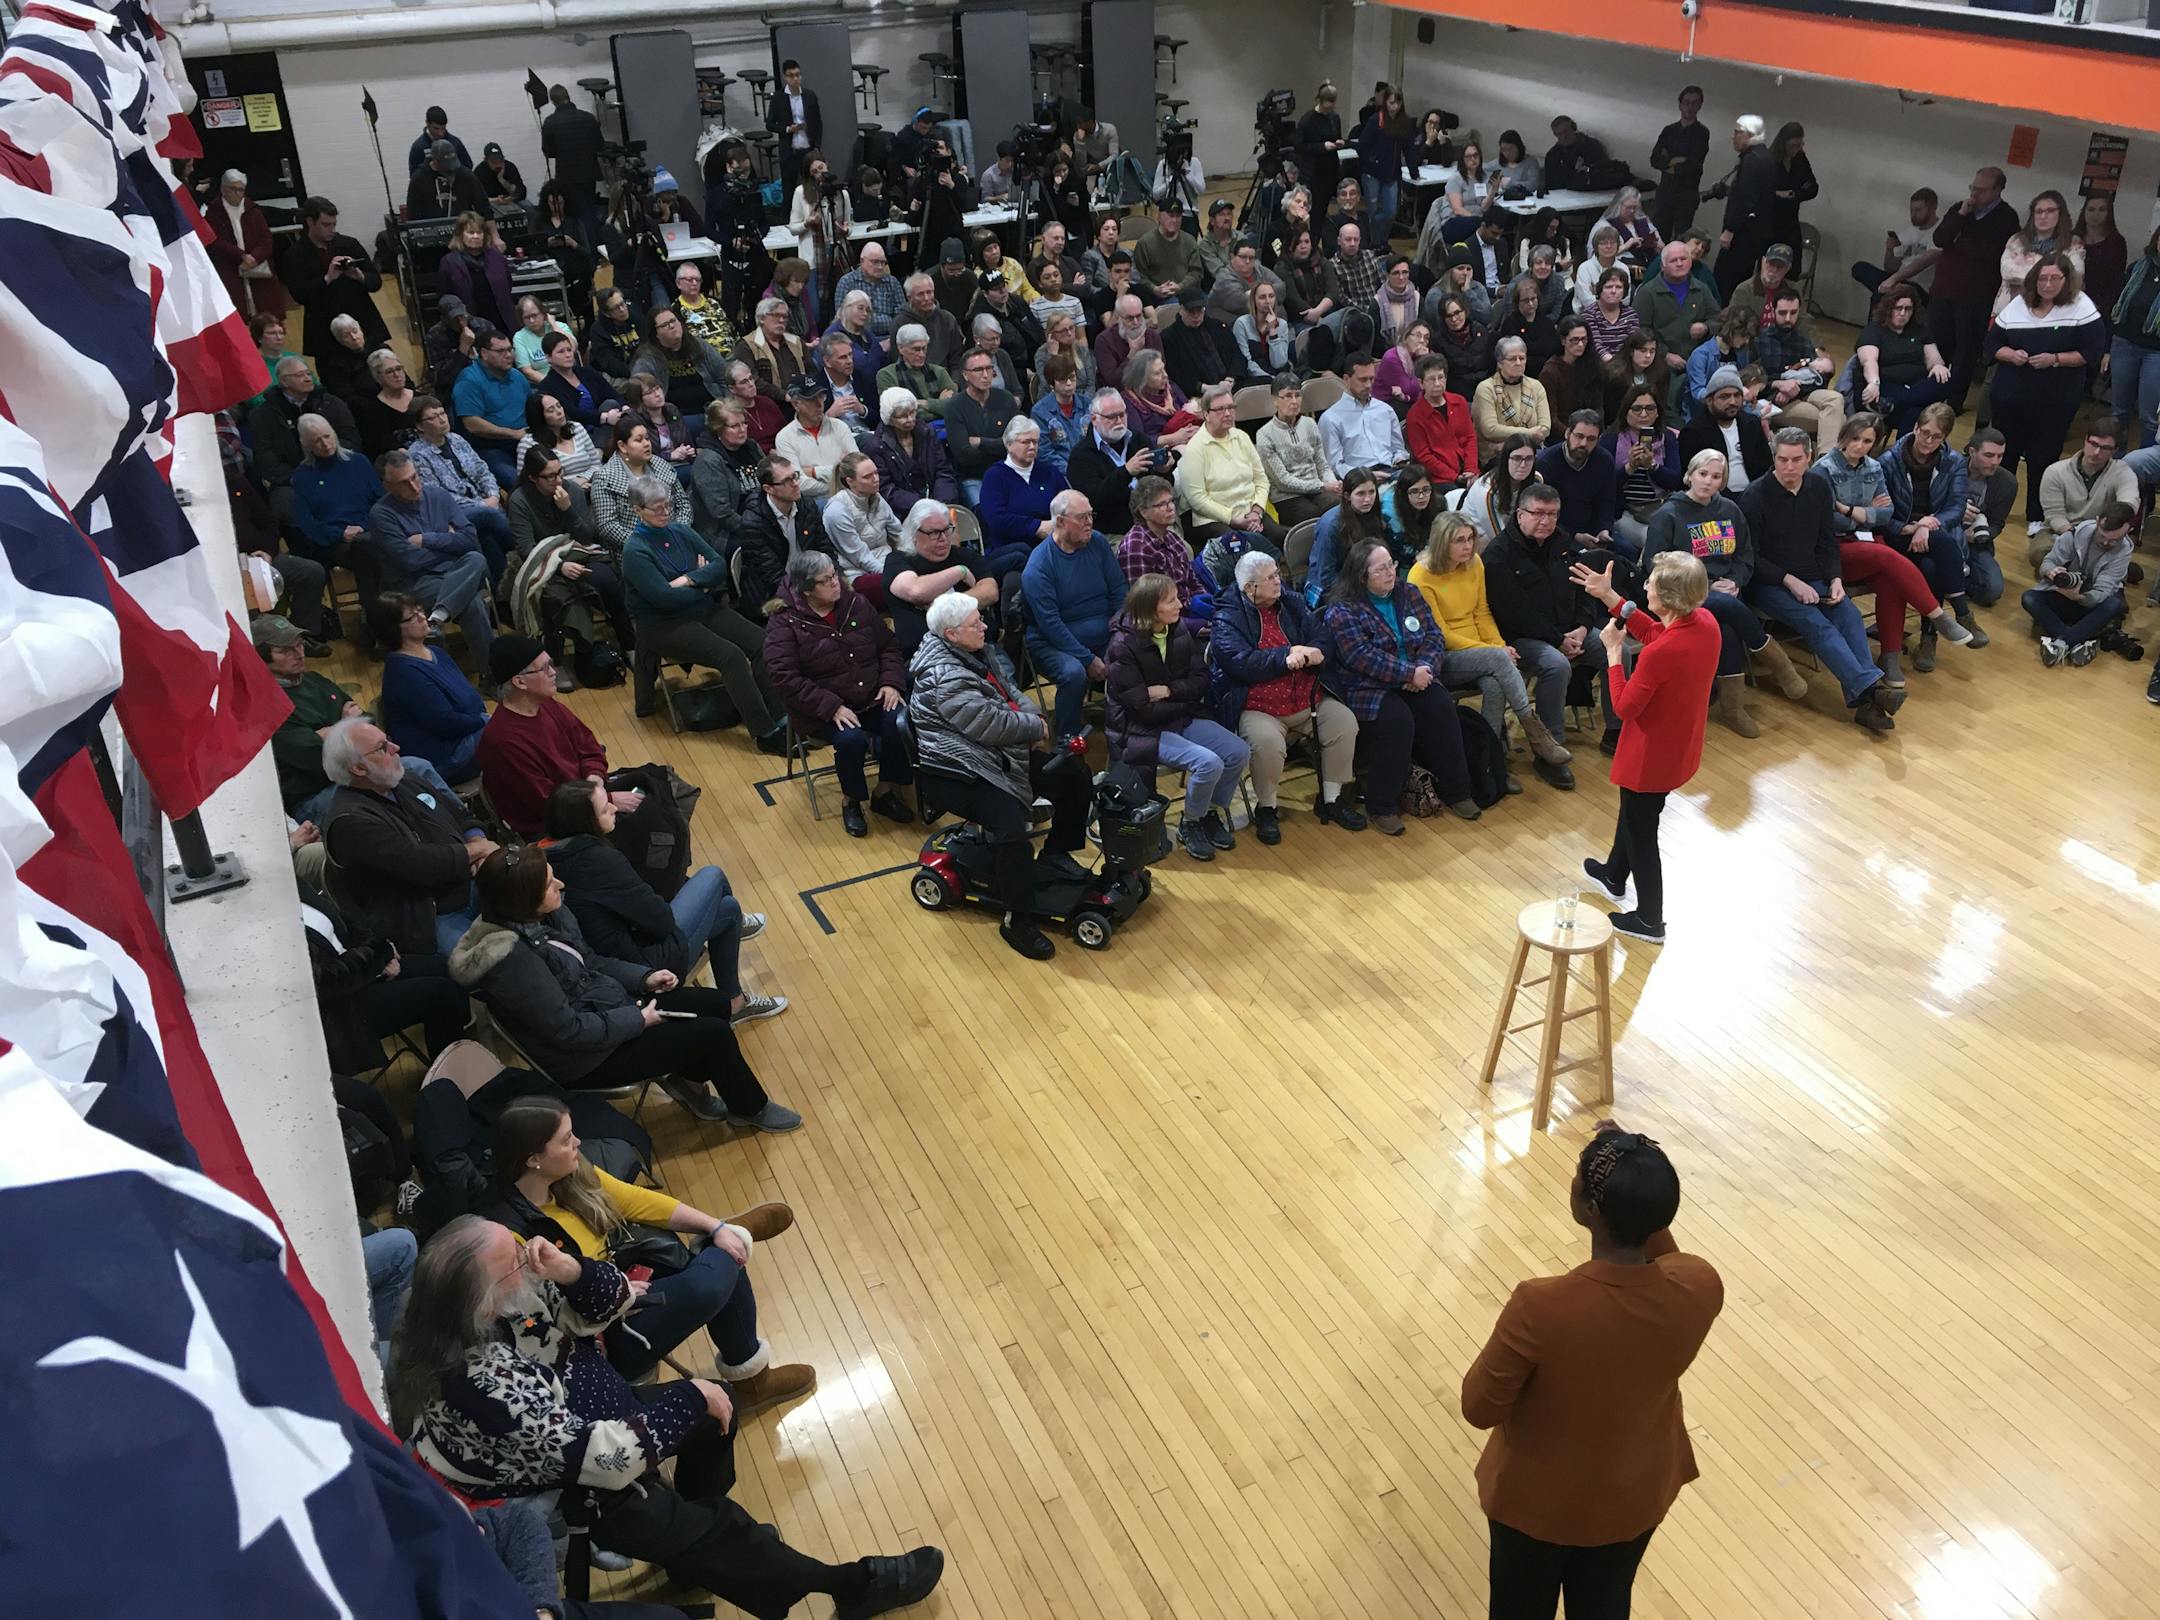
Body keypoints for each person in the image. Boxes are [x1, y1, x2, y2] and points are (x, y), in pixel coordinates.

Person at [396, 1219, 938, 1613]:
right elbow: (603, 1461)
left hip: (584, 1430)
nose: (527, 1253)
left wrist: (569, 1269)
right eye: (515, 1257)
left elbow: (611, 1306)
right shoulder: (482, 1383)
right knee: (725, 1522)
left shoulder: (494, 1303)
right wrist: (691, 1397)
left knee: (711, 1417)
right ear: (484, 1302)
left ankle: (693, 1549)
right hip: (562, 1485)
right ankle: (845, 1587)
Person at [1461, 1121, 1723, 1614]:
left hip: (1535, 1506)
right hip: (1633, 1496)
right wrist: (1636, 1182)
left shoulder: (1540, 1306)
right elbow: (1669, 1257)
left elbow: (1478, 1407)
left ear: (1589, 1209)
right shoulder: (1700, 1285)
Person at [448, 847, 797, 1129]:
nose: (562, 885)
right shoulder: (513, 964)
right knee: (713, 1035)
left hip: (612, 1009)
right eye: (550, 884)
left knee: (717, 1004)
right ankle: (750, 1109)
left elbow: (591, 961)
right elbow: (568, 1032)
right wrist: (638, 1019)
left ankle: (685, 1079)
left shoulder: (545, 916)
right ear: (522, 900)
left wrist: (644, 978)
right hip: (587, 1057)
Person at [482, 1096, 800, 1393]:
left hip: (625, 1283)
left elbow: (635, 1201)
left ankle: (722, 1238)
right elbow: (553, 1323)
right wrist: (618, 1293)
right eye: (566, 1140)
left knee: (726, 1258)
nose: (578, 1142)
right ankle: (753, 1381)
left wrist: (712, 1225)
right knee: (714, 1281)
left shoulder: (569, 1171)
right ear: (534, 1159)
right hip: (601, 1336)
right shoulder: (514, 1240)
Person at [909, 592, 1095, 960]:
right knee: (1012, 833)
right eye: (976, 622)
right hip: (957, 770)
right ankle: (1016, 921)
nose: (984, 626)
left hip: (997, 756)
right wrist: (1032, 727)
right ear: (951, 634)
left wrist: (1034, 721)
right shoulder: (943, 676)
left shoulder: (977, 651)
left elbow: (1013, 693)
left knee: (1074, 775)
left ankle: (1057, 853)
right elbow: (989, 724)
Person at [1739, 427, 1897, 731]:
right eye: (1782, 459)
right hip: (1771, 583)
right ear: (1774, 458)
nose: (1788, 467)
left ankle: (1866, 701)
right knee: (1817, 624)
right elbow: (1751, 557)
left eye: (1796, 460)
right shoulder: (1755, 496)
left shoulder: (1818, 487)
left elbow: (1826, 542)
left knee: (1849, 614)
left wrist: (1836, 579)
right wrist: (1789, 581)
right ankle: (1873, 689)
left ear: (1809, 458)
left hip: (1814, 575)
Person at [1209, 548, 1366, 845]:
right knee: (1267, 743)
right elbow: (1239, 662)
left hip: (1306, 697)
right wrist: (1286, 655)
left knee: (1344, 723)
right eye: (1270, 578)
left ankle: (1331, 799)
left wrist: (1318, 651)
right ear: (1249, 588)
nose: (1278, 581)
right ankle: (1266, 807)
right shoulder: (1227, 616)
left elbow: (1321, 636)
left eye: (1277, 574)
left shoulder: (1292, 603)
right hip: (1258, 705)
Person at [1321, 539, 1479, 832]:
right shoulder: (1342, 611)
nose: (1390, 572)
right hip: (1367, 687)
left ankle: (1459, 791)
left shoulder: (1409, 593)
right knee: (1397, 722)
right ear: (1361, 575)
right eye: (1380, 569)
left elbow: (1434, 636)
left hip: (1417, 676)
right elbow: (1360, 656)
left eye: (1391, 565)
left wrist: (1425, 670)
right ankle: (1381, 805)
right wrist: (1408, 674)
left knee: (1441, 707)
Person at [1408, 513, 1575, 791]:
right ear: (1441, 543)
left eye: (1470, 538)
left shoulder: (1474, 563)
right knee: (1499, 661)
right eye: (1459, 540)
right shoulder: (1420, 576)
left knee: (1497, 685)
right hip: (1444, 657)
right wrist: (1495, 651)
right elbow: (1442, 635)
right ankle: (1535, 732)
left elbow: (1483, 612)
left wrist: (1499, 646)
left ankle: (1492, 763)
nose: (1467, 546)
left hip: (1483, 654)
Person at [623, 476, 787, 747]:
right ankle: (764, 732)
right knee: (731, 656)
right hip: (662, 624)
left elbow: (718, 565)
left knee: (761, 641)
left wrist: (689, 579)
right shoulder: (635, 550)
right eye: (657, 508)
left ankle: (781, 715)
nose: (665, 512)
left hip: (700, 608)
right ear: (638, 510)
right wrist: (702, 582)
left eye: (667, 505)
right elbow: (663, 599)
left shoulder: (681, 530)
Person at [760, 552, 916, 837]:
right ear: (807, 589)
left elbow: (888, 646)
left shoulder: (855, 602)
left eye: (835, 574)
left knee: (901, 723)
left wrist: (891, 682)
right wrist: (831, 707)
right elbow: (785, 678)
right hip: (823, 708)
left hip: (870, 694)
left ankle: (885, 791)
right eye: (827, 580)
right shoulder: (784, 623)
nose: (837, 583)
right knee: (851, 740)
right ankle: (852, 800)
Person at [1642, 448, 1796, 736]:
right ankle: (1777, 664)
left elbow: (1745, 554)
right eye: (1702, 474)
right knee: (1725, 608)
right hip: (1682, 594)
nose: (1708, 482)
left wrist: (1736, 581)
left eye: (1716, 477)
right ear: (1689, 475)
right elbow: (1655, 567)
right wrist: (1701, 585)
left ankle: (1732, 708)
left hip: (1724, 592)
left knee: (1725, 626)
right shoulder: (1669, 514)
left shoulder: (1729, 510)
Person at [1102, 570, 1250, 866]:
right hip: (1140, 729)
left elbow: (1202, 678)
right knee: (1208, 763)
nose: (1180, 604)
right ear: (1150, 609)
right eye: (1170, 601)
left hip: (1179, 715)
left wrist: (1170, 691)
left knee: (1238, 751)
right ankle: (1190, 823)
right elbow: (1141, 708)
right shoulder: (1122, 646)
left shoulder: (1178, 629)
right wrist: (1182, 699)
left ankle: (1206, 812)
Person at [1821, 414, 1978, 685]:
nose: (1859, 445)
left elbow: (1886, 512)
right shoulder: (1824, 469)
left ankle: (1889, 657)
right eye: (1855, 438)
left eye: (1867, 440)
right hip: (1832, 547)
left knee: (1892, 579)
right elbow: (1826, 518)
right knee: (1889, 558)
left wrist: (1849, 510)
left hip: (1864, 539)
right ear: (1843, 436)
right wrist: (1862, 512)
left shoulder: (1872, 467)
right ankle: (1938, 616)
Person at [320, 718, 494, 955]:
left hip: (472, 881)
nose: (396, 749)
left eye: (388, 740)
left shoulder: (403, 780)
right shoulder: (350, 822)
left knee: (543, 896)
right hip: (430, 918)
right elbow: (420, 865)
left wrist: (476, 840)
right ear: (358, 769)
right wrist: (479, 851)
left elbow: (461, 815)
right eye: (382, 748)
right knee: (487, 962)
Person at [1485, 482, 1617, 760]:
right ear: (1520, 514)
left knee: (1616, 650)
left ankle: (1616, 730)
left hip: (1571, 629)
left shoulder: (1563, 542)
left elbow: (1585, 589)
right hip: (1523, 638)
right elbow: (1514, 613)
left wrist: (1583, 627)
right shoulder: (1498, 555)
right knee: (1555, 666)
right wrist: (1558, 641)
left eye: (1552, 514)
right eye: (1538, 513)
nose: (1546, 521)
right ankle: (1550, 746)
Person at [1986, 253, 2107, 531]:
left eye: (2054, 278)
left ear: (2066, 281)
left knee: (2043, 456)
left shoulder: (2081, 307)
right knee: (2005, 453)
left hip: (2055, 398)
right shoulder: (2018, 305)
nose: (2048, 283)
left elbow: (2091, 352)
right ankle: (1990, 510)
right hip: (2010, 395)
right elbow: (1992, 344)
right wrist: (2010, 354)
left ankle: (2036, 516)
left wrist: (2055, 359)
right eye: (2042, 278)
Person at [505, 448, 633, 677]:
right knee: (553, 596)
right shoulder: (520, 500)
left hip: (578, 552)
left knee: (606, 579)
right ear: (533, 477)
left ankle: (629, 644)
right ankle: (555, 661)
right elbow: (526, 548)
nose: (558, 480)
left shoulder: (571, 489)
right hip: (542, 562)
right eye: (550, 476)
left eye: (560, 472)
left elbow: (587, 536)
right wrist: (559, 566)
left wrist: (568, 509)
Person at [369, 448, 496, 663]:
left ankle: (437, 618)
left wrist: (428, 539)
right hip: (415, 582)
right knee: (472, 601)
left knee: (477, 558)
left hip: (455, 572)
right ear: (387, 486)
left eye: (415, 477)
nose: (413, 486)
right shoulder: (381, 515)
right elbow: (409, 561)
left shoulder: (438, 496)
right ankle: (490, 675)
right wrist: (449, 542)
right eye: (403, 483)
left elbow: (469, 539)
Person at [1929, 167, 2020, 413]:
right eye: (1973, 188)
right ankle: (1931, 392)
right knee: (1937, 344)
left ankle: (1954, 399)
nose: (1975, 194)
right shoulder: (1961, 209)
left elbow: (1990, 254)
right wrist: (1960, 215)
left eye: (1981, 190)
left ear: (1998, 190)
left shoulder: (2007, 218)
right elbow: (1940, 238)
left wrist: (1962, 243)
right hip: (1944, 288)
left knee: (1965, 350)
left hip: (1975, 295)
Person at [372, 591, 487, 783]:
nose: (423, 617)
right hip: (446, 756)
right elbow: (446, 723)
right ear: (394, 629)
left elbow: (470, 698)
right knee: (512, 731)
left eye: (420, 610)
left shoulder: (436, 652)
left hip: (468, 733)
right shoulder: (404, 673)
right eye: (412, 617)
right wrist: (484, 721)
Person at [408, 395, 514, 572]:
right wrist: (483, 504)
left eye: (442, 413)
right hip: (450, 514)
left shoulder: (457, 440)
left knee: (486, 535)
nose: (442, 419)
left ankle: (501, 592)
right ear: (419, 426)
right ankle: (528, 548)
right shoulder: (418, 454)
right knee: (488, 516)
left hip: (483, 504)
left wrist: (493, 495)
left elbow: (482, 470)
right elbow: (438, 496)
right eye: (433, 417)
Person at [2024, 502, 2136, 665]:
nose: (2106, 543)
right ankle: (2079, 639)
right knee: (2029, 598)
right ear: (2098, 522)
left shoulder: (2123, 553)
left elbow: (2103, 591)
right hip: (2061, 594)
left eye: (2114, 540)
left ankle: (2062, 642)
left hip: (2089, 602)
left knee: (2114, 604)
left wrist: (2079, 597)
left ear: (2128, 532)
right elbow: (2049, 562)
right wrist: (2050, 572)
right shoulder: (2074, 535)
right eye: (2102, 535)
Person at [1175, 384, 1279, 548]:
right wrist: (1233, 519)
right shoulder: (1195, 449)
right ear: (1206, 414)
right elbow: (1197, 498)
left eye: (1231, 407)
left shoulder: (1242, 437)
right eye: (1221, 409)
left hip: (1250, 512)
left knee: (1279, 536)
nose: (1228, 413)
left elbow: (1261, 479)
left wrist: (1256, 511)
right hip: (1213, 520)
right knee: (1237, 545)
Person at [280, 197, 389, 353]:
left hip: (362, 323)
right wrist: (327, 279)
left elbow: (376, 282)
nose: (331, 229)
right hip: (324, 329)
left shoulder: (349, 244)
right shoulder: (295, 255)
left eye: (334, 224)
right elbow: (300, 295)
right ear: (310, 222)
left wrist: (359, 275)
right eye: (325, 225)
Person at [736, 450, 832, 614]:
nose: (795, 483)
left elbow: (824, 548)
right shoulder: (753, 524)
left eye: (795, 476)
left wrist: (833, 578)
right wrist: (812, 594)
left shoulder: (806, 506)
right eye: (787, 481)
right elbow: (772, 576)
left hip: (811, 580)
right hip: (774, 593)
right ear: (769, 489)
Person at [2036, 416, 2139, 565]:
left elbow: (2128, 505)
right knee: (2039, 554)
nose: (2097, 452)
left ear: (2115, 450)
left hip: (2103, 533)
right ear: (2085, 440)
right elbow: (2054, 516)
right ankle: (2101, 567)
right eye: (2093, 444)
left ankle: (2084, 566)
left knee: (2114, 547)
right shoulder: (2055, 472)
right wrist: (2079, 539)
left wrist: (2101, 534)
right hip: (2063, 531)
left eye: (2105, 448)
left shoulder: (2123, 472)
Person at [1753, 291, 1843, 453]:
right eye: (1782, 313)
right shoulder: (1760, 340)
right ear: (1773, 312)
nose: (1788, 318)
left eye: (1793, 313)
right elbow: (1751, 381)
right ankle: (1826, 462)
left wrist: (1794, 389)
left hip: (1801, 391)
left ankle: (1825, 461)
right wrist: (1779, 385)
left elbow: (1822, 375)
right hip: (1772, 401)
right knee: (1839, 419)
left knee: (1836, 398)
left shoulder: (1802, 339)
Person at [1853, 286, 1952, 433]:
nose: (1903, 313)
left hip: (1913, 387)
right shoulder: (1874, 330)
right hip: (1885, 385)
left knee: (1943, 379)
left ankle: (1891, 404)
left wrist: (1937, 365)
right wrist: (1874, 382)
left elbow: (1934, 358)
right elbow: (1869, 361)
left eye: (1908, 309)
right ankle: (1902, 453)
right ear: (1888, 309)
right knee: (1915, 413)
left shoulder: (1920, 330)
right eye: (1898, 308)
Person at [1067, 386, 1161, 538]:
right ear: (1094, 419)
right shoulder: (1081, 456)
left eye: (1122, 414)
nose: (1119, 421)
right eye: (1111, 417)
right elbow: (1094, 501)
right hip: (1113, 532)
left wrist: (1163, 471)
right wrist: (1126, 472)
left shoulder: (1138, 440)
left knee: (1184, 549)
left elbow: (1159, 486)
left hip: (1151, 522)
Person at [590, 418, 691, 550]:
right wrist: (645, 545)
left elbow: (683, 504)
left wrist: (678, 533)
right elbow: (608, 525)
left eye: (647, 438)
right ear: (622, 446)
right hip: (636, 551)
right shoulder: (604, 478)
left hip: (675, 539)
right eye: (639, 440)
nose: (646, 444)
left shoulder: (661, 464)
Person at [449, 328, 533, 487]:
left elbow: (532, 407)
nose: (508, 355)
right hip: (489, 448)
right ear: (484, 354)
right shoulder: (469, 380)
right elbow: (472, 425)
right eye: (501, 351)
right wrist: (513, 434)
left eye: (510, 349)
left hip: (524, 441)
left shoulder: (516, 376)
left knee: (553, 469)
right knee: (518, 483)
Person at [1676, 367, 1771, 493]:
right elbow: (1691, 479)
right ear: (1709, 401)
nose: (1732, 401)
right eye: (1724, 397)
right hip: (1715, 499)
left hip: (1754, 495)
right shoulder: (1693, 432)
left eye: (1737, 395)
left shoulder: (1751, 423)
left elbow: (1766, 466)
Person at [1713, 115, 1778, 299]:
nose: (1733, 137)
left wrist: (1729, 229)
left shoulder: (1751, 160)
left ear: (1749, 134)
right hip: (1757, 232)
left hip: (1742, 233)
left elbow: (1744, 199)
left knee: (1724, 281)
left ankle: (1721, 322)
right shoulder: (1767, 157)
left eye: (1737, 132)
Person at [1535, 411, 1620, 552]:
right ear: (1567, 433)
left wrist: (1604, 529)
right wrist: (1574, 536)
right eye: (1579, 436)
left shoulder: (1604, 461)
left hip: (1594, 532)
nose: (1583, 443)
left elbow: (1607, 502)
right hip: (1556, 532)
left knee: (1627, 552)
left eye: (1591, 439)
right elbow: (1543, 512)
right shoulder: (1546, 463)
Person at [204, 169, 284, 316]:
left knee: (266, 310)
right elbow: (215, 241)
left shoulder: (253, 210)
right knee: (238, 309)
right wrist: (241, 255)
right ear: (223, 189)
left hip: (257, 268)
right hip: (231, 269)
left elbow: (266, 239)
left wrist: (254, 257)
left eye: (241, 190)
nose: (238, 194)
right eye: (233, 189)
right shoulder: (214, 212)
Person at [945, 347, 1022, 501]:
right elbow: (963, 455)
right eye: (979, 370)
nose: (986, 375)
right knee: (985, 510)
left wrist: (980, 442)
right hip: (974, 477)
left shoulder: (1006, 399)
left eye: (988, 368)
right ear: (965, 375)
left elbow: (1018, 444)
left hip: (1008, 471)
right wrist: (1002, 444)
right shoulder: (954, 407)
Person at [869, 389, 960, 516]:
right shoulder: (877, 446)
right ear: (889, 418)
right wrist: (923, 505)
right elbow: (885, 489)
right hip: (902, 512)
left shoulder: (927, 432)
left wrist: (942, 502)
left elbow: (944, 471)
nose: (910, 419)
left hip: (938, 504)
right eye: (902, 416)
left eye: (912, 412)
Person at [2111, 226, 2160, 448]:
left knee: (2149, 415)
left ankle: (2145, 471)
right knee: (2119, 409)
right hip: (2124, 344)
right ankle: (2114, 459)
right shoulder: (2138, 268)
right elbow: (2118, 307)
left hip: (2156, 353)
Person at [634, 305, 731, 418]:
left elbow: (725, 377)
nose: (672, 326)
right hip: (675, 418)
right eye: (665, 325)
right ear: (656, 334)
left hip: (712, 410)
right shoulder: (648, 359)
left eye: (673, 321)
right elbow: (638, 393)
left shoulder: (699, 345)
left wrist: (727, 406)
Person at [1320, 353, 1408, 475]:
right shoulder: (1330, 418)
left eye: (1371, 379)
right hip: (1359, 479)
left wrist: (1399, 458)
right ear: (1346, 379)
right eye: (1362, 380)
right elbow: (1334, 465)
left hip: (1392, 472)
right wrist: (1366, 476)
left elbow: (1399, 449)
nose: (1368, 385)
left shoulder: (1385, 410)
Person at [1473, 338, 1554, 466]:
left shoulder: (1536, 386)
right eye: (1512, 359)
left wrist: (1511, 441)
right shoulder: (1486, 388)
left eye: (1522, 358)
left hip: (1532, 452)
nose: (1518, 363)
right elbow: (1490, 429)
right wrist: (1529, 433)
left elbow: (1545, 428)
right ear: (1500, 363)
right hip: (1498, 456)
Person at [1855, 186, 1942, 303]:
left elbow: (1924, 262)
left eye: (1918, 210)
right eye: (1911, 210)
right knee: (1860, 268)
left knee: (1879, 296)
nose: (1913, 214)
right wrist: (1889, 251)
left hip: (1919, 288)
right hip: (1898, 282)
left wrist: (1894, 279)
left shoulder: (1941, 231)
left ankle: (1885, 296)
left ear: (1932, 207)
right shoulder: (1908, 233)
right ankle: (1887, 292)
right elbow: (1891, 268)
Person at [773, 375, 855, 496]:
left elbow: (856, 469)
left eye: (821, 397)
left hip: (849, 495)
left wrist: (814, 472)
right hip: (815, 501)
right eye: (811, 399)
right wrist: (839, 481)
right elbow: (798, 483)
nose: (819, 404)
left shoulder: (839, 427)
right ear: (796, 404)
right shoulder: (784, 437)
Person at [1961, 428, 2014, 607]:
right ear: (1972, 451)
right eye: (1989, 455)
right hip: (1943, 533)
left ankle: (1953, 582)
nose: (1995, 462)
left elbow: (1997, 523)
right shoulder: (1950, 468)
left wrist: (1979, 534)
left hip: (1976, 542)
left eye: (2000, 456)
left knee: (1992, 590)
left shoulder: (2007, 482)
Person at [1648, 86, 1709, 240]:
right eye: (1686, 102)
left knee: (1682, 240)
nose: (1690, 107)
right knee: (1659, 238)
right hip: (1665, 192)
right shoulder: (1669, 130)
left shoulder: (1701, 133)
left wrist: (1668, 161)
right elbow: (1655, 159)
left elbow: (1693, 165)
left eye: (1694, 103)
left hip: (1686, 195)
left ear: (1700, 105)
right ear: (1680, 104)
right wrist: (1675, 161)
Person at [1161, 281, 1239, 400]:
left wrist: (1230, 378)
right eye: (1191, 312)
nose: (1196, 315)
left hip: (1232, 384)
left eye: (1199, 310)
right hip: (1197, 393)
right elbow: (1175, 374)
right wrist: (1204, 388)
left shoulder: (1218, 326)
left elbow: (1237, 356)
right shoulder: (1169, 337)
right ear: (1181, 309)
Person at [541, 82, 605, 223]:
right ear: (568, 97)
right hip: (589, 172)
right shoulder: (588, 118)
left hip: (567, 175)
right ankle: (595, 241)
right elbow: (600, 145)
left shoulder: (551, 122)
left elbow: (549, 152)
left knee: (575, 212)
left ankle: (583, 243)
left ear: (553, 101)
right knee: (590, 208)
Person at [1462, 436, 1541, 546]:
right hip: (1477, 536)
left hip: (1511, 531)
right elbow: (1499, 537)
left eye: (1528, 458)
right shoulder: (1487, 492)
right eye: (1517, 458)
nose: (1523, 465)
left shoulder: (1537, 480)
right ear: (1505, 459)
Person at [518, 389, 603, 488]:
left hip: (591, 485)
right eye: (551, 410)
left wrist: (583, 479)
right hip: (556, 494)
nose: (559, 412)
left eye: (559, 406)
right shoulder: (528, 443)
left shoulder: (576, 428)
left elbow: (596, 464)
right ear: (539, 416)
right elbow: (526, 483)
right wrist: (572, 485)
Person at [764, 57, 823, 196]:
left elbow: (818, 123)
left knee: (813, 188)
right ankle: (789, 217)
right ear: (785, 77)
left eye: (798, 75)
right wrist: (787, 129)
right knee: (789, 190)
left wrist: (817, 147)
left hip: (808, 150)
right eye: (791, 76)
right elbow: (769, 124)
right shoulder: (778, 98)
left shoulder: (809, 96)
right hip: (790, 151)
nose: (795, 79)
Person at [1132, 197, 1206, 297]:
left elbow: (1196, 272)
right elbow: (1139, 276)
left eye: (1178, 216)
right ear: (1159, 216)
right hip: (1156, 297)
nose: (1174, 220)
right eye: (1170, 216)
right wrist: (1154, 289)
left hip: (1187, 293)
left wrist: (1181, 286)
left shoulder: (1190, 241)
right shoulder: (1145, 243)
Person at [406, 139, 487, 220]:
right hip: (431, 226)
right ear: (435, 161)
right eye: (447, 166)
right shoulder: (418, 179)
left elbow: (483, 205)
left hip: (464, 226)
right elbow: (413, 216)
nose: (451, 170)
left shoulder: (466, 175)